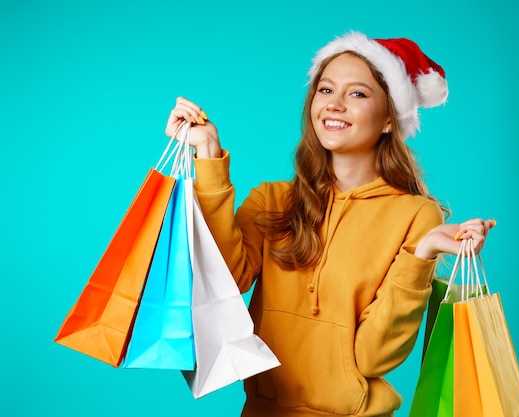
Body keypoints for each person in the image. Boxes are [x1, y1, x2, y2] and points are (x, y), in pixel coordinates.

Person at [165, 31, 495, 417]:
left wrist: (422, 254)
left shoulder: (417, 215)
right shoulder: (274, 201)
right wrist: (208, 155)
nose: (334, 105)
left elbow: (373, 358)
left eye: (357, 94)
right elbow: (221, 282)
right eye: (325, 90)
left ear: (389, 119)